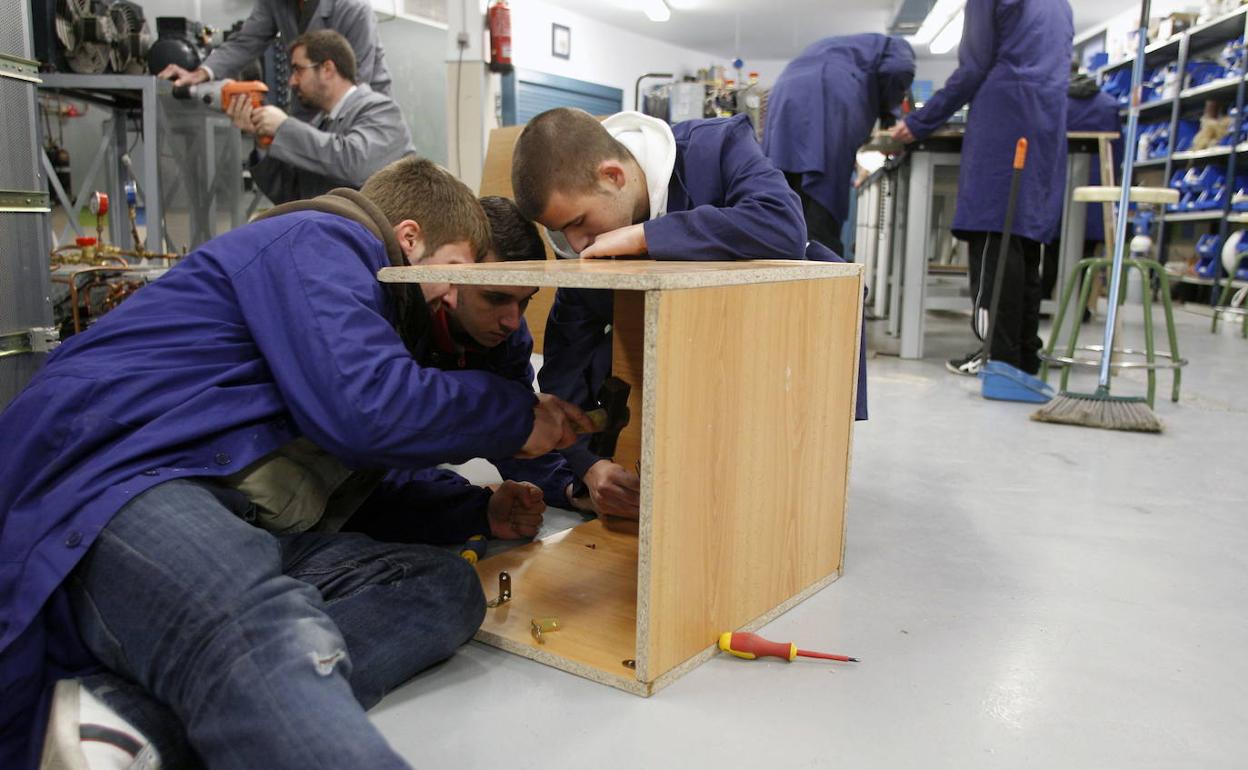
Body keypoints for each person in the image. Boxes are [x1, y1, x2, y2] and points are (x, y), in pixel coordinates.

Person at [1, 157, 590, 770]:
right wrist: (516, 415)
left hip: (245, 519)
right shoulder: (321, 239)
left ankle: (122, 721)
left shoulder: (387, 316)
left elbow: (353, 472)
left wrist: (480, 503)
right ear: (409, 239)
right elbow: (368, 410)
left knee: (443, 590)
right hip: (121, 486)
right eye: (462, 274)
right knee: (258, 624)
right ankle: (242, 675)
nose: (454, 293)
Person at [511, 107, 863, 522]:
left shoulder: (716, 146)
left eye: (578, 223)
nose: (574, 241)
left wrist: (646, 237)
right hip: (679, 364)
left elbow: (784, 227)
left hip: (764, 355)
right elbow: (566, 362)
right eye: (559, 231)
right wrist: (590, 467)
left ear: (613, 176)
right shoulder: (574, 231)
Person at [347, 196, 585, 545]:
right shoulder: (389, 325)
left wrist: (573, 486)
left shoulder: (508, 339)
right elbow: (372, 470)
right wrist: (467, 502)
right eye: (495, 298)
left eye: (525, 300)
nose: (512, 320)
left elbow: (516, 440)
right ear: (453, 275)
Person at [890, 0, 1073, 376]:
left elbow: (973, 68)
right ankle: (1023, 353)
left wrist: (920, 122)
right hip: (1048, 117)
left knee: (993, 235)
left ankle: (997, 355)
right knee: (1023, 239)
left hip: (1005, 114)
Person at [763, 34, 916, 255]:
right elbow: (899, 68)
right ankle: (822, 275)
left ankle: (782, 275)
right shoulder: (896, 45)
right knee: (821, 198)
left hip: (783, 92)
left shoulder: (845, 48)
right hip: (828, 90)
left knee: (783, 200)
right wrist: (890, 113)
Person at [228, 30, 415, 204]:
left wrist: (283, 127)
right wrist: (263, 142)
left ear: (327, 69)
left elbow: (357, 165)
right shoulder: (318, 126)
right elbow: (290, 196)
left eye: (298, 70)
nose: (291, 81)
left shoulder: (381, 110)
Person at [158, 0, 391, 121]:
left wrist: (296, 134)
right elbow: (247, 40)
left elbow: (357, 81)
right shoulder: (275, 3)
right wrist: (202, 73)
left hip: (359, 113)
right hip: (308, 106)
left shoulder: (353, 7)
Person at [1043, 64, 1122, 302]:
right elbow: (1115, 154)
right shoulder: (1108, 105)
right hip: (1095, 188)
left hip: (1057, 184)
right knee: (1088, 250)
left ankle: (1045, 299)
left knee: (1051, 249)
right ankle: (1082, 306)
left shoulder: (1052, 101)